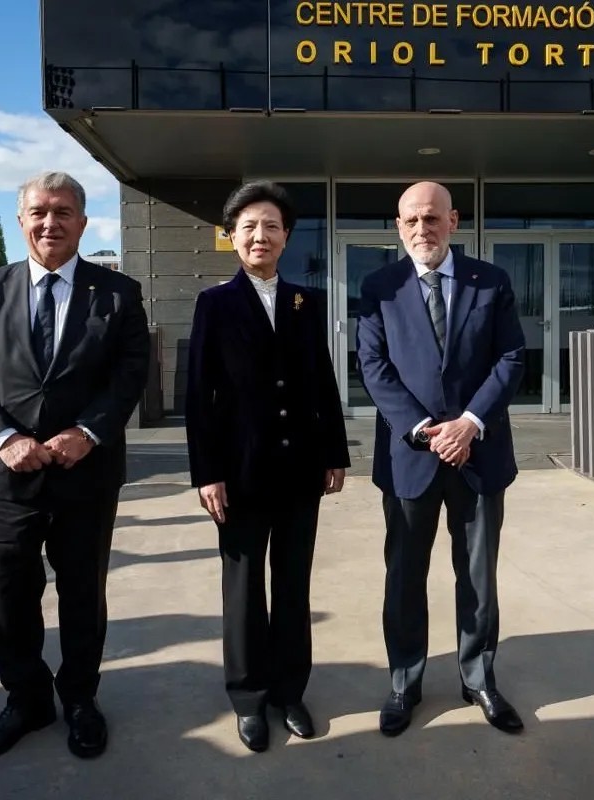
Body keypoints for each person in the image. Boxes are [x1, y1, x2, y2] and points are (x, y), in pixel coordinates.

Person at [0, 171, 150, 764]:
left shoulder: (119, 293)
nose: (50, 222)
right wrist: (3, 437)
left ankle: (81, 699)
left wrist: (88, 432)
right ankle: (26, 701)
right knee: (10, 596)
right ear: (21, 221)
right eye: (38, 212)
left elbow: (130, 373)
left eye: (63, 212)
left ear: (82, 223)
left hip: (87, 474)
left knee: (83, 593)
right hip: (8, 477)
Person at [185, 180, 350, 753]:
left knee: (293, 585)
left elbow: (322, 380)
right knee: (244, 590)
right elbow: (198, 395)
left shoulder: (307, 302)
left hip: (300, 469)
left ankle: (289, 691)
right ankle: (249, 697)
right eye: (250, 226)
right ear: (232, 236)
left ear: (286, 237)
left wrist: (335, 452)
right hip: (240, 473)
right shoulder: (214, 304)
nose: (261, 235)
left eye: (272, 226)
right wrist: (207, 473)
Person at [357, 181, 526, 736]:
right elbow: (373, 365)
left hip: (479, 455)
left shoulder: (491, 281)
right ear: (398, 226)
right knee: (405, 576)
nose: (421, 229)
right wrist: (424, 430)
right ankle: (404, 682)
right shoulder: (379, 287)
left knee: (477, 576)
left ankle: (478, 679)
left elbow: (510, 357)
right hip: (411, 457)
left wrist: (470, 422)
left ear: (453, 221)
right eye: (410, 220)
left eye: (431, 218)